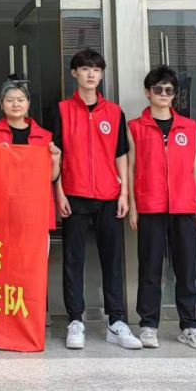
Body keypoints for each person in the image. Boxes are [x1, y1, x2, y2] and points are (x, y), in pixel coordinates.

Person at [54, 48, 141, 351]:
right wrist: (59, 191)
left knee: (112, 259)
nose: (91, 74)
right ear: (74, 73)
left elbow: (120, 154)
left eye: (96, 70)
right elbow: (55, 155)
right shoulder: (62, 110)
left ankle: (116, 322)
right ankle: (75, 320)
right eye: (85, 68)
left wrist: (124, 193)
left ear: (102, 75)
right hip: (74, 193)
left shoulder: (114, 112)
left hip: (109, 195)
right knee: (73, 259)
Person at [127, 66, 196, 351]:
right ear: (147, 92)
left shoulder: (188, 125)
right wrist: (134, 206)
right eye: (158, 89)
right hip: (150, 205)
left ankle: (189, 326)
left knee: (185, 269)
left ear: (175, 94)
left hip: (183, 206)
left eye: (169, 90)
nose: (164, 94)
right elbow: (132, 168)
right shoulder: (136, 127)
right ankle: (148, 325)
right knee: (150, 268)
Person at [0, 76, 62, 224]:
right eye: (10, 100)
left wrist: (56, 161)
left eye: (20, 100)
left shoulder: (44, 136)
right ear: (1, 104)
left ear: (28, 104)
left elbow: (50, 178)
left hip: (33, 205)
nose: (15, 104)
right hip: (0, 203)